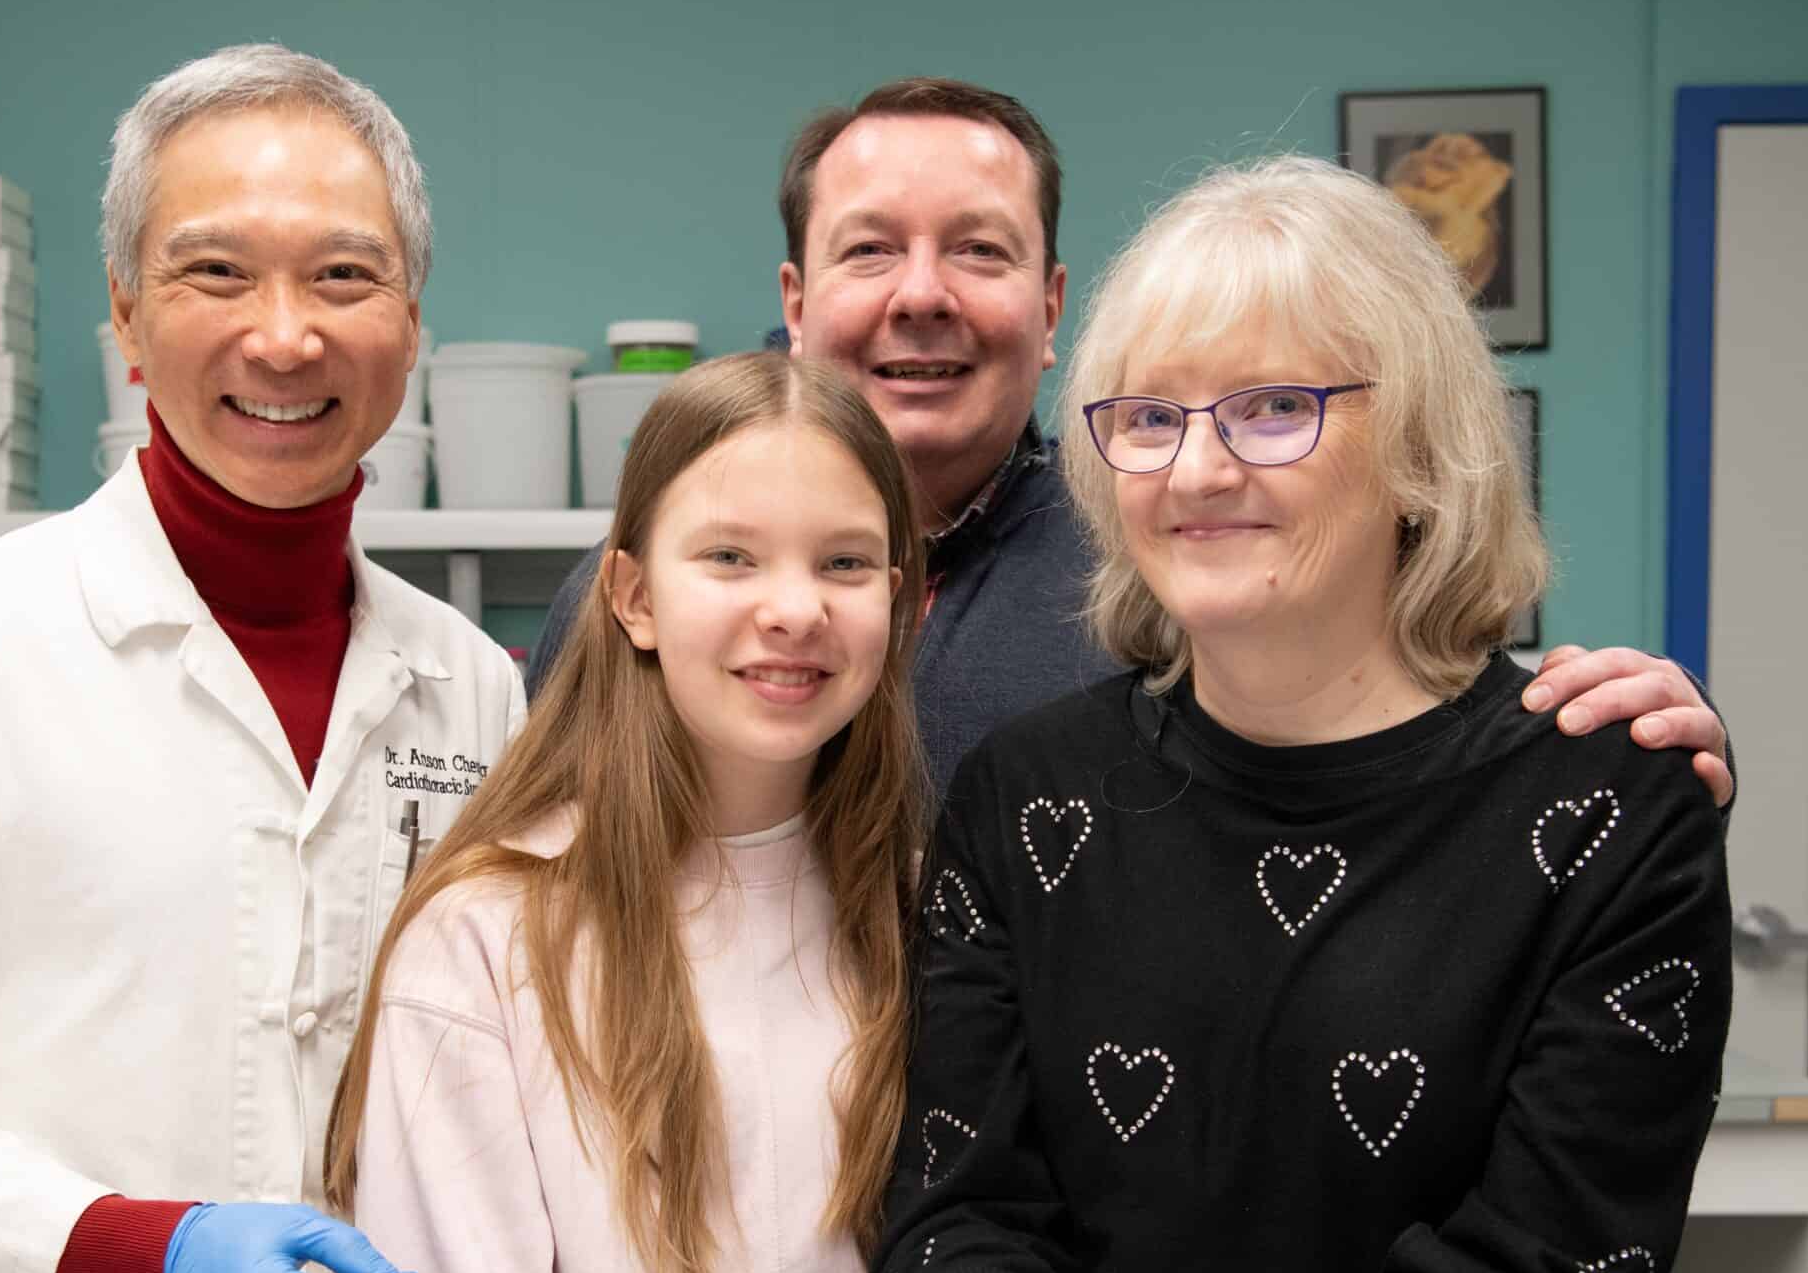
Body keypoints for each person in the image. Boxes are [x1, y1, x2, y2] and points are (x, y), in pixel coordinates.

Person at [858, 156, 1732, 1273]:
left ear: (1422, 446)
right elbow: (959, 1196)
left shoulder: (1613, 801)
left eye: (1276, 408)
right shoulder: (1030, 794)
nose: (1199, 468)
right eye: (1149, 417)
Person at [0, 45, 523, 1273]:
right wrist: (155, 1252)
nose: (285, 336)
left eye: (344, 276)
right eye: (215, 273)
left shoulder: (469, 685)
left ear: (412, 317)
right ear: (124, 311)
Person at [525, 78, 1734, 806]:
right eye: (870, 248)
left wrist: (1614, 757)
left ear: (1051, 310)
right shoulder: (628, 601)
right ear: (795, 300)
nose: (923, 294)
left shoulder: (1162, 573)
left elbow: (1389, 745)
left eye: (980, 250)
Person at [325, 352, 923, 1273]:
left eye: (843, 562)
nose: (793, 609)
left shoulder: (937, 920)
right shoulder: (483, 943)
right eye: (730, 556)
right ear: (633, 595)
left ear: (900, 601)